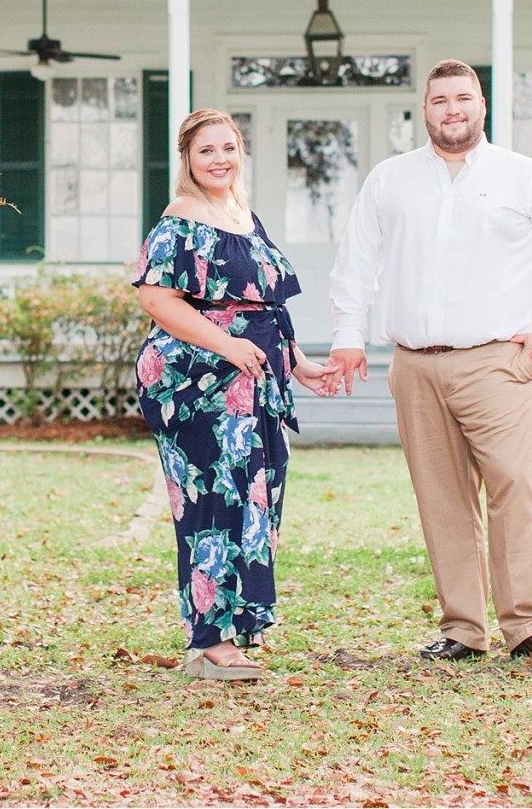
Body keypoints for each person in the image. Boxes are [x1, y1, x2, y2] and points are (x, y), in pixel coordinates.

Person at [327, 59, 532, 664]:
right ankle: (464, 630)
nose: (452, 109)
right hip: (415, 366)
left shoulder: (523, 178)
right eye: (440, 100)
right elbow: (356, 262)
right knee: (442, 500)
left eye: (463, 98)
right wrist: (348, 335)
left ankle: (527, 627)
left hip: (496, 363)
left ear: (482, 106)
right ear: (424, 110)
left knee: (513, 490)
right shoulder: (390, 180)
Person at [133, 108, 343, 679]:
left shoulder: (242, 215)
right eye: (206, 151)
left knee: (255, 498)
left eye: (228, 148)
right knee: (212, 502)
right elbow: (157, 300)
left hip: (255, 381)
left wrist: (298, 362)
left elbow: (263, 304)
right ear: (187, 160)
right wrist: (227, 347)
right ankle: (208, 642)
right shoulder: (182, 217)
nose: (219, 159)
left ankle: (232, 629)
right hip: (197, 381)